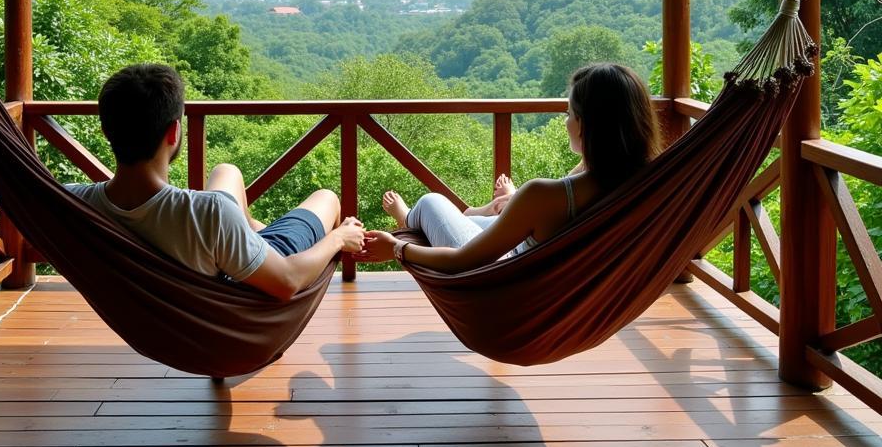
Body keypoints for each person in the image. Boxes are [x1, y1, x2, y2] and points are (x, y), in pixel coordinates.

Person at [67, 63, 366, 301]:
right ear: (173, 133)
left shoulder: (72, 203)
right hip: (244, 298)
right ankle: (252, 239)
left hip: (167, 319)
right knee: (327, 198)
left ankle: (250, 235)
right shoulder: (208, 213)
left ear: (106, 131)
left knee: (227, 171)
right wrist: (339, 238)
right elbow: (287, 281)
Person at [360, 63, 660, 273]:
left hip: (499, 276)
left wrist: (398, 248)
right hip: (546, 278)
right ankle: (481, 211)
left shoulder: (544, 195)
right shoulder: (645, 183)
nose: (565, 121)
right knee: (464, 215)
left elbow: (463, 262)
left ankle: (408, 219)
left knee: (431, 202)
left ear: (586, 126)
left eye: (569, 113)